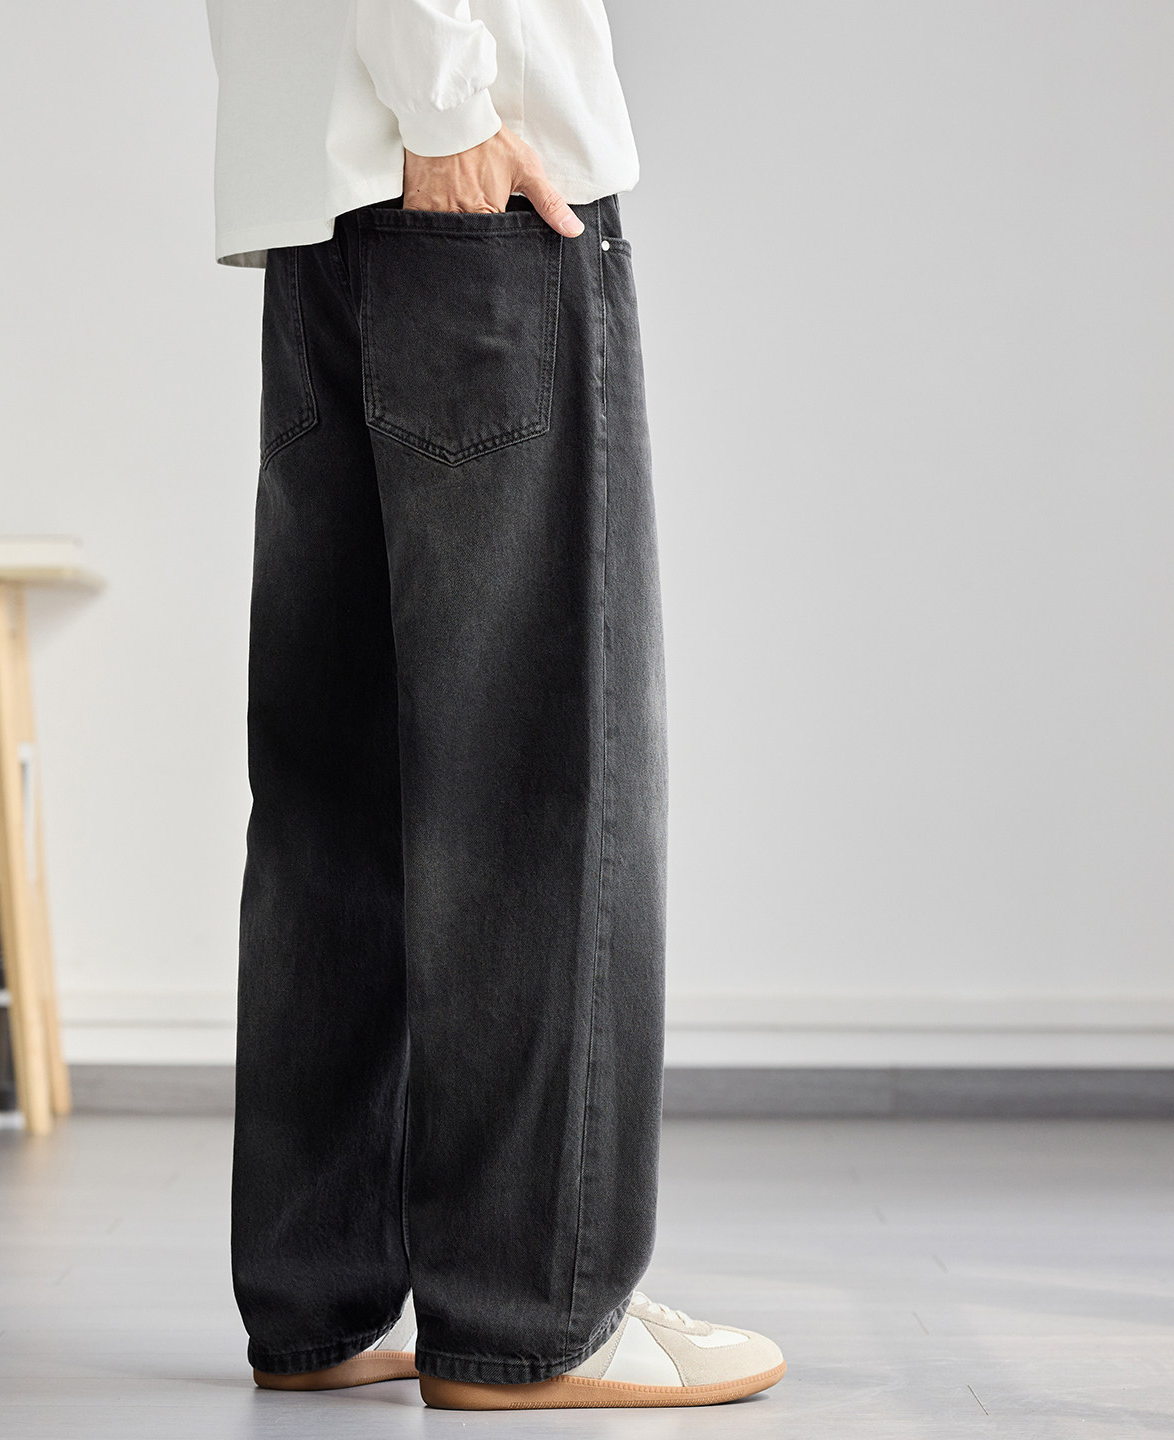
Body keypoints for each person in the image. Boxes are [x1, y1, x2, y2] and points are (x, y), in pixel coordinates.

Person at [205, 0, 785, 1411]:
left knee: (337, 789)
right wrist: (451, 102)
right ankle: (540, 1311)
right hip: (466, 177)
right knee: (540, 773)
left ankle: (319, 1297)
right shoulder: (453, 120)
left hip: (316, 202)